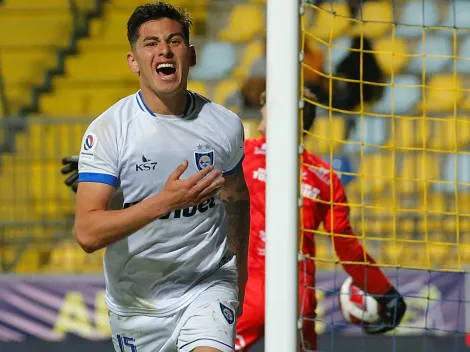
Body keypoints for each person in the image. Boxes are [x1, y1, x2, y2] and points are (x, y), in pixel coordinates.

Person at [70, 2, 250, 352]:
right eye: (150, 43)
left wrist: (238, 275)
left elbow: (236, 196)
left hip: (207, 286)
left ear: (191, 54)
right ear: (133, 61)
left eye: (174, 41)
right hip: (137, 306)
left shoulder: (225, 125)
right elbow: (87, 234)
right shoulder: (109, 131)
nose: (164, 50)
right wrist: (164, 203)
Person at [235, 86, 406, 351]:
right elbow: (345, 245)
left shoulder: (241, 156)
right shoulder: (325, 175)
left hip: (246, 291)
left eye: (265, 111)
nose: (260, 118)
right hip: (298, 297)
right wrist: (384, 291)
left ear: (280, 117)